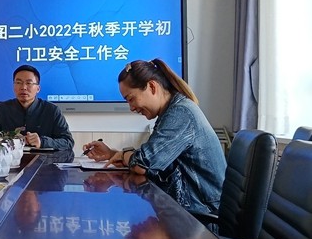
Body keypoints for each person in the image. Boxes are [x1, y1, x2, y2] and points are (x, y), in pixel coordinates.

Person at [82, 58, 225, 214]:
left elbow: (142, 164)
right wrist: (112, 154)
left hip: (202, 215)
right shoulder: (170, 112)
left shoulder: (180, 113)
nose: (131, 108)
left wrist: (124, 155)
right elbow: (153, 160)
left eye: (131, 99)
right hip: (188, 209)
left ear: (152, 86)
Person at [0, 64, 75, 162]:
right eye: (18, 83)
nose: (23, 87)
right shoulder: (1, 110)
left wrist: (42, 142)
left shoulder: (52, 110)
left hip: (45, 166)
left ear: (38, 88)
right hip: (9, 164)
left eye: (29, 83)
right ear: (14, 86)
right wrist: (9, 141)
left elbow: (68, 142)